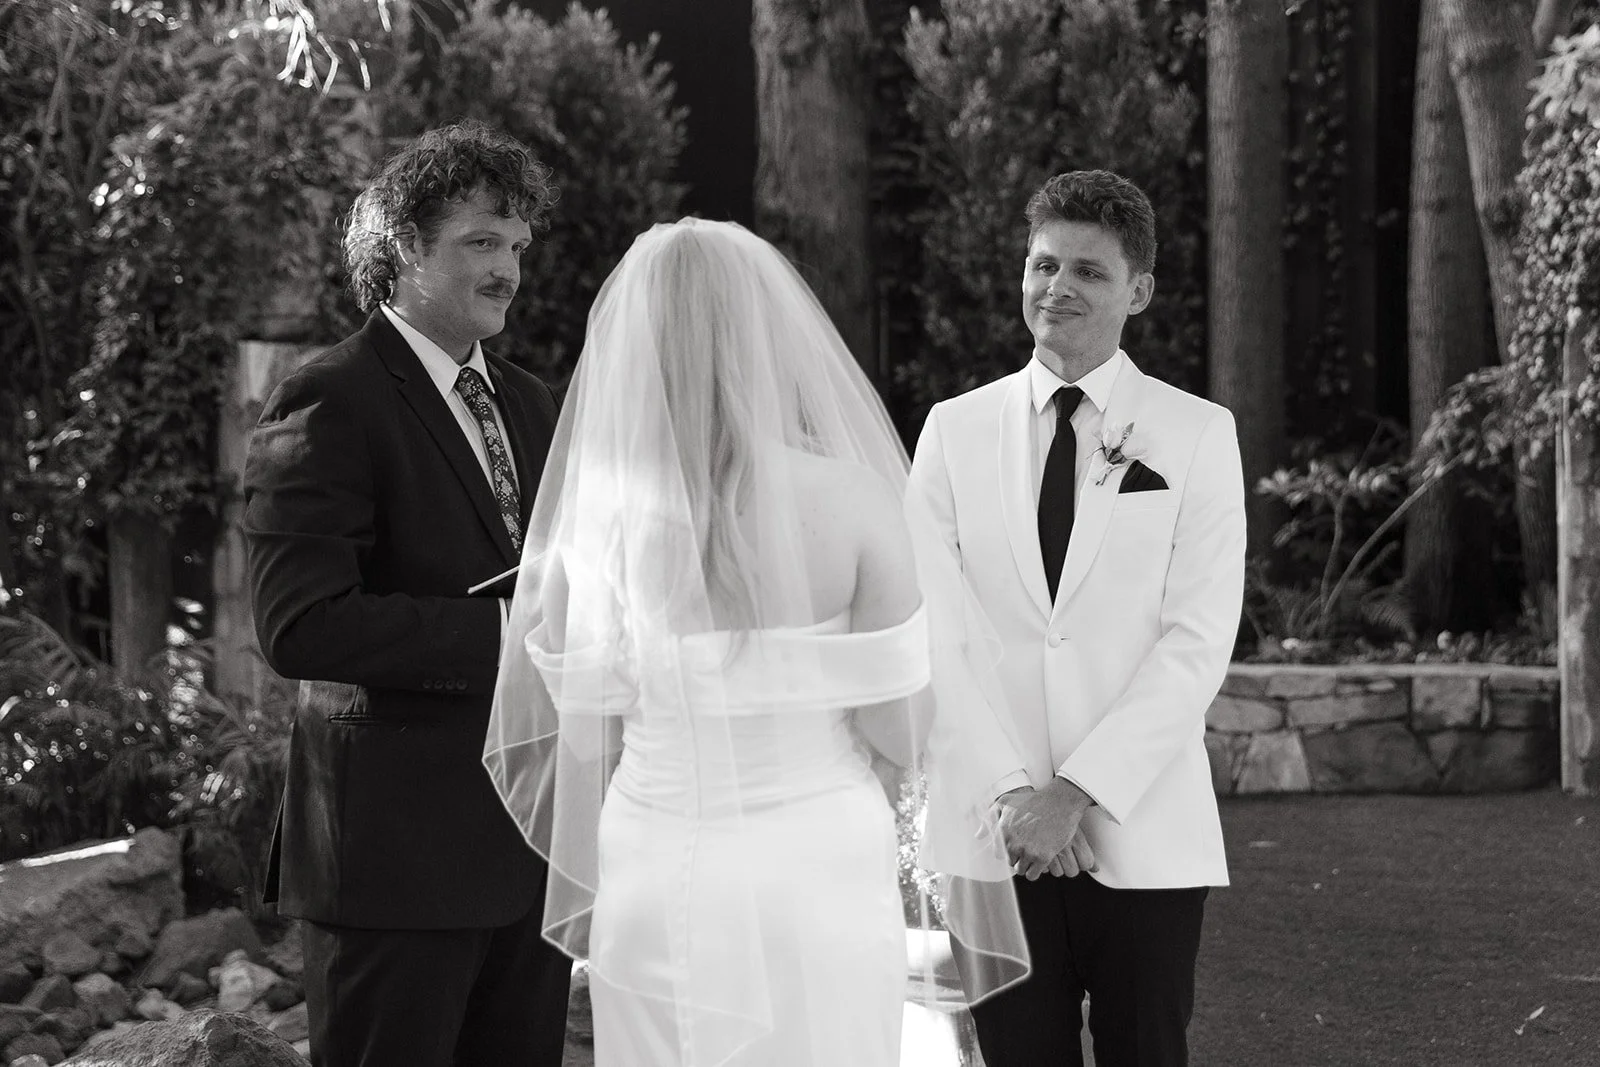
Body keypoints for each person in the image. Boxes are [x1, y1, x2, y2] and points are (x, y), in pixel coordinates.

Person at [485, 218, 1030, 1067]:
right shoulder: (853, 505)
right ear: (767, 340)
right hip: (817, 867)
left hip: (654, 872)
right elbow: (902, 732)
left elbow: (589, 748)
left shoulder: (591, 530)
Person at [244, 121, 571, 1067]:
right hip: (390, 865)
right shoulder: (327, 397)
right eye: (480, 241)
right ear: (402, 248)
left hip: (529, 849)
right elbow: (300, 624)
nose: (507, 268)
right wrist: (513, 630)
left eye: (516, 245)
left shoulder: (535, 402)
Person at [907, 170, 1246, 1067]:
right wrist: (1014, 793)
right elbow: (931, 627)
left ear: (1138, 291)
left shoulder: (1200, 434)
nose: (1057, 288)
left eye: (1088, 272)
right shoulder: (951, 430)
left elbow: (1198, 641)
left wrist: (1075, 792)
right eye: (1043, 264)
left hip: (1143, 834)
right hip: (993, 837)